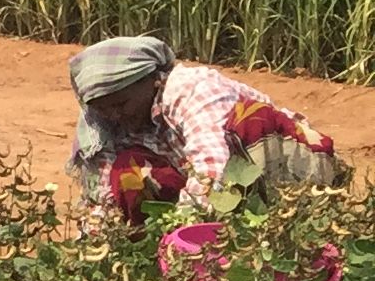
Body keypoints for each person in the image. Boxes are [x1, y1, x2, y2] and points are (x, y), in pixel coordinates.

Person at [67, 37, 347, 226]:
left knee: (251, 122)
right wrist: (94, 248)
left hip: (284, 170)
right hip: (212, 193)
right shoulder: (102, 120)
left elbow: (212, 165)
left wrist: (183, 230)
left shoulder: (191, 89)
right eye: (104, 109)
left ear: (152, 80)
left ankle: (285, 222)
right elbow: (101, 195)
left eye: (121, 104)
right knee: (128, 168)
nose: (115, 115)